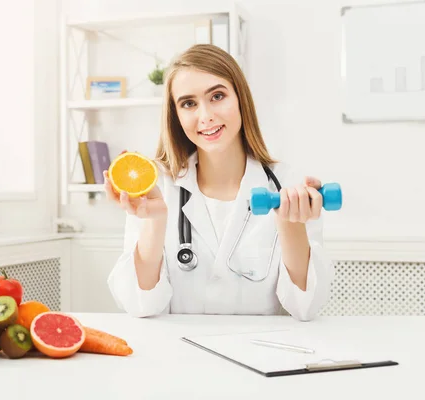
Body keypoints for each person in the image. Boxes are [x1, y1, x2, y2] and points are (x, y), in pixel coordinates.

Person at [102, 44, 333, 320]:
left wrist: (291, 225)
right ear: (176, 115)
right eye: (189, 103)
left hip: (262, 354)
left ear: (240, 99)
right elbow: (141, 306)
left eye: (217, 96)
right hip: (180, 356)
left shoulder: (288, 187)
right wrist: (153, 223)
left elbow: (304, 308)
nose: (205, 116)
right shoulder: (155, 190)